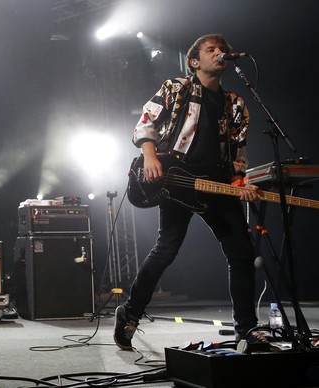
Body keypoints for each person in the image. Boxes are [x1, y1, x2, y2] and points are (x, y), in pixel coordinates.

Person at [114, 33, 261, 350]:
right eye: (211, 49)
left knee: (242, 253)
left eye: (223, 49)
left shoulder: (235, 104)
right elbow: (146, 120)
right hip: (178, 178)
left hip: (217, 182)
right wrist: (150, 156)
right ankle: (129, 313)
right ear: (195, 61)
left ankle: (246, 329)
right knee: (166, 249)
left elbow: (238, 153)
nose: (220, 52)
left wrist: (240, 183)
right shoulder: (177, 88)